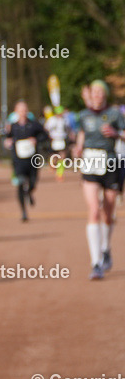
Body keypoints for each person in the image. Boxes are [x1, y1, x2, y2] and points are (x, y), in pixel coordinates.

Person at [73, 80, 124, 280]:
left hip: (110, 162)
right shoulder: (83, 115)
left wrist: (116, 133)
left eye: (100, 92)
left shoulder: (114, 114)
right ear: (90, 95)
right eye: (93, 91)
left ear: (105, 95)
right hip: (90, 163)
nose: (96, 95)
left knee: (108, 212)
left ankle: (105, 248)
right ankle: (96, 263)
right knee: (94, 210)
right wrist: (78, 148)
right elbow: (81, 134)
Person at [4, 100, 47, 223]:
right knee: (20, 184)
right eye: (20, 110)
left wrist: (36, 140)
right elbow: (6, 138)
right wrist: (7, 142)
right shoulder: (12, 126)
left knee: (33, 182)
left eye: (25, 110)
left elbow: (45, 135)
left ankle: (29, 192)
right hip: (18, 161)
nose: (23, 112)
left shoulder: (34, 125)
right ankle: (23, 211)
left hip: (32, 160)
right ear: (16, 112)